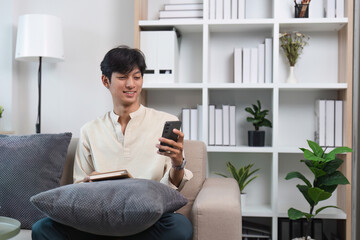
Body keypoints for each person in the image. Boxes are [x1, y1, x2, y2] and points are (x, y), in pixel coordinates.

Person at [32, 46, 193, 240]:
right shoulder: (90, 130)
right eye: (123, 77)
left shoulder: (163, 122)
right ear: (105, 81)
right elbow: (79, 186)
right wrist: (91, 181)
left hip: (148, 222)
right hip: (99, 222)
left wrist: (178, 163)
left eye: (137, 77)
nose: (131, 84)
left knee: (180, 226)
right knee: (43, 228)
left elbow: (171, 187)